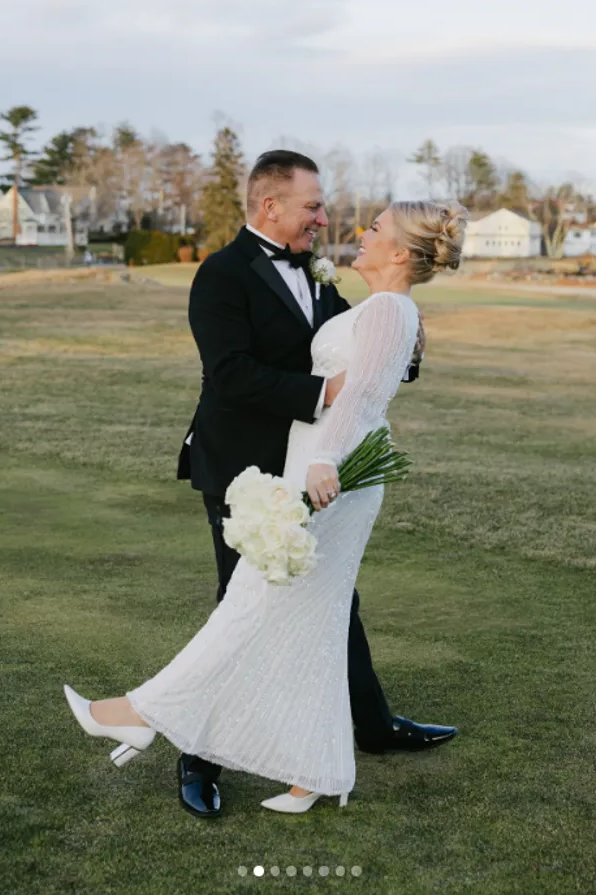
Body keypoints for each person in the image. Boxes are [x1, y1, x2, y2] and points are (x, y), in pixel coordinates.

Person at [64, 150, 465, 816]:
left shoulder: (317, 271)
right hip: (242, 463)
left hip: (314, 466)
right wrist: (324, 392)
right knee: (243, 603)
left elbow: (368, 347)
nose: (325, 219)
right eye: (313, 206)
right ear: (269, 205)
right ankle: (201, 755)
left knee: (324, 603)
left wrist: (402, 352)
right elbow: (231, 373)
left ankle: (361, 731)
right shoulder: (221, 275)